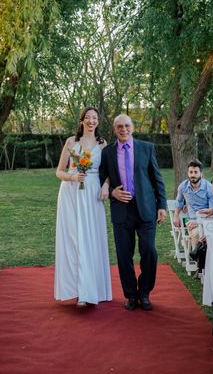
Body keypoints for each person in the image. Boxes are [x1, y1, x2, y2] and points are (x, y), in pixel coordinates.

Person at [99, 114, 167, 311]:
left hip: (146, 208)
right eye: (119, 126)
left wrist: (161, 205)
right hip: (121, 210)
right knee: (123, 255)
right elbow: (101, 178)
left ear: (133, 127)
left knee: (149, 252)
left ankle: (144, 292)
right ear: (114, 130)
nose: (123, 129)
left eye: (127, 125)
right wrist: (112, 192)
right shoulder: (108, 153)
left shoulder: (146, 148)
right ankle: (130, 294)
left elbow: (158, 179)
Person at [55, 107, 112, 307]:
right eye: (87, 117)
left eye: (94, 118)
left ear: (98, 121)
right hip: (71, 193)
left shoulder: (103, 144)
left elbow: (110, 171)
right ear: (81, 121)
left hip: (93, 193)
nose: (91, 121)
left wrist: (105, 186)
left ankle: (92, 288)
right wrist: (72, 176)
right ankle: (77, 290)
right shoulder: (72, 142)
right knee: (73, 238)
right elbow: (59, 172)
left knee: (91, 237)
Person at [174, 160, 213, 250]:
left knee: (206, 233)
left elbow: (212, 210)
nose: (193, 175)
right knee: (196, 233)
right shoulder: (183, 187)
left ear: (201, 173)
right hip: (191, 221)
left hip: (207, 221)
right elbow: (179, 202)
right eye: (191, 172)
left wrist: (199, 222)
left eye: (195, 172)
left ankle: (208, 260)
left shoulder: (209, 187)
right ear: (188, 173)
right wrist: (176, 216)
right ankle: (197, 262)